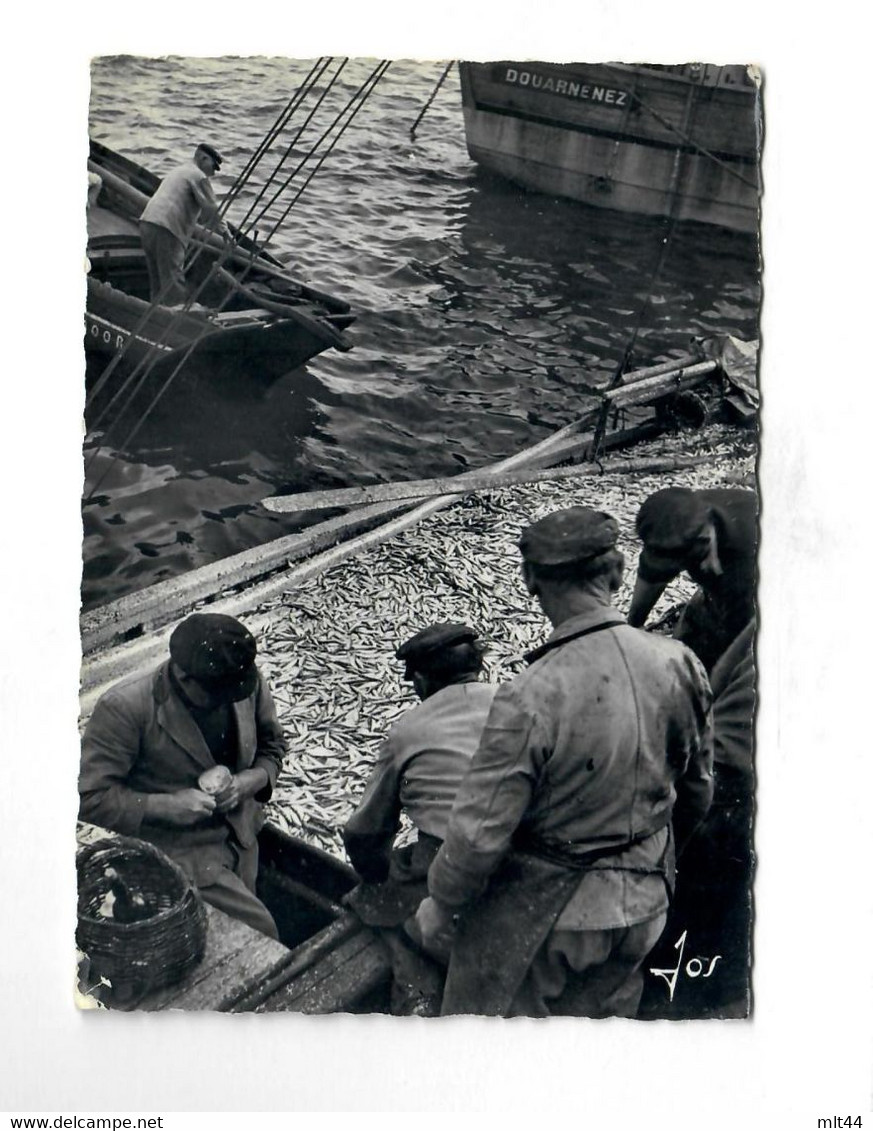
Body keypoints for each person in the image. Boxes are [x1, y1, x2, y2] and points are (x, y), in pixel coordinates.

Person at [410, 506, 714, 1018]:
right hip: (647, 907)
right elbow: (698, 791)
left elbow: (480, 834)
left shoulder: (530, 695)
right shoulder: (681, 662)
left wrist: (440, 903)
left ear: (531, 582)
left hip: (552, 926)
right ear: (618, 573)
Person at [79, 612, 286, 939]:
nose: (228, 701)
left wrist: (251, 781)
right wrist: (163, 805)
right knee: (263, 935)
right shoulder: (124, 708)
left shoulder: (240, 680)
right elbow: (87, 797)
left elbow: (273, 745)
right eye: (217, 695)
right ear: (183, 675)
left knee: (249, 918)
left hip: (244, 836)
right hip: (181, 854)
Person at [343, 622, 498, 1014]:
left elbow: (364, 832)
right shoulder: (517, 701)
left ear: (424, 681)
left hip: (451, 861)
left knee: (377, 906)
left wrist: (375, 876)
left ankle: (418, 995)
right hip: (529, 854)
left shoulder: (408, 732)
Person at [627, 486, 757, 672]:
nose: (706, 568)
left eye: (701, 557)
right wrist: (631, 629)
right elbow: (652, 577)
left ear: (705, 537)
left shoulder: (747, 561)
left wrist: (712, 691)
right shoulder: (674, 521)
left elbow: (741, 643)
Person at [138, 142, 232, 306]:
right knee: (173, 284)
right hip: (166, 229)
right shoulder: (198, 175)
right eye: (213, 166)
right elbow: (211, 209)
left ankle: (154, 319)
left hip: (147, 223)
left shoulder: (179, 170)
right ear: (203, 158)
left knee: (157, 284)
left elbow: (197, 210)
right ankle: (175, 325)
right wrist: (225, 232)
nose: (214, 173)